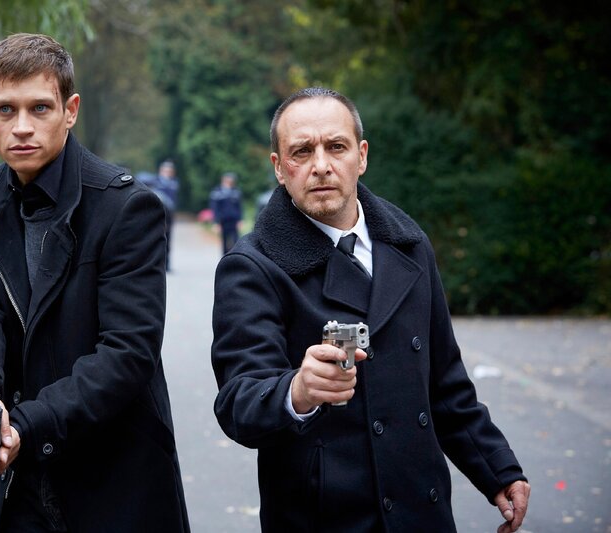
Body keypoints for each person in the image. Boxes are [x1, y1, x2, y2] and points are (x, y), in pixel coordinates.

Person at [211, 87, 530, 532]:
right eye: (302, 151)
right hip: (323, 517)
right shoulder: (252, 266)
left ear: (361, 156)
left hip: (422, 510)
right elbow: (238, 402)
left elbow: (445, 384)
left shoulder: (409, 243)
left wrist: (498, 469)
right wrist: (297, 391)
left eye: (336, 147)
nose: (321, 165)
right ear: (279, 168)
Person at [0, 33, 189, 532]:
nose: (22, 127)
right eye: (6, 110)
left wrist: (23, 425)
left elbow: (128, 352)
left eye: (40, 108)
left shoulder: (126, 207)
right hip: (16, 471)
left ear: (70, 110)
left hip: (116, 472)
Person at [141, 160, 179, 271]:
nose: (168, 173)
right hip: (158, 212)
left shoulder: (174, 183)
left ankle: (167, 264)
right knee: (156, 237)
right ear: (160, 171)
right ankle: (156, 263)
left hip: (170, 214)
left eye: (170, 171)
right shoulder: (154, 181)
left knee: (168, 238)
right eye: (165, 171)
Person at [208, 172, 243, 254]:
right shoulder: (217, 192)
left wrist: (240, 220)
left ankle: (236, 257)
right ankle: (225, 259)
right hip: (223, 221)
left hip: (234, 220)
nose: (230, 183)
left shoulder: (236, 191)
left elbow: (240, 207)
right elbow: (214, 208)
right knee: (224, 242)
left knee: (235, 241)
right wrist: (216, 222)